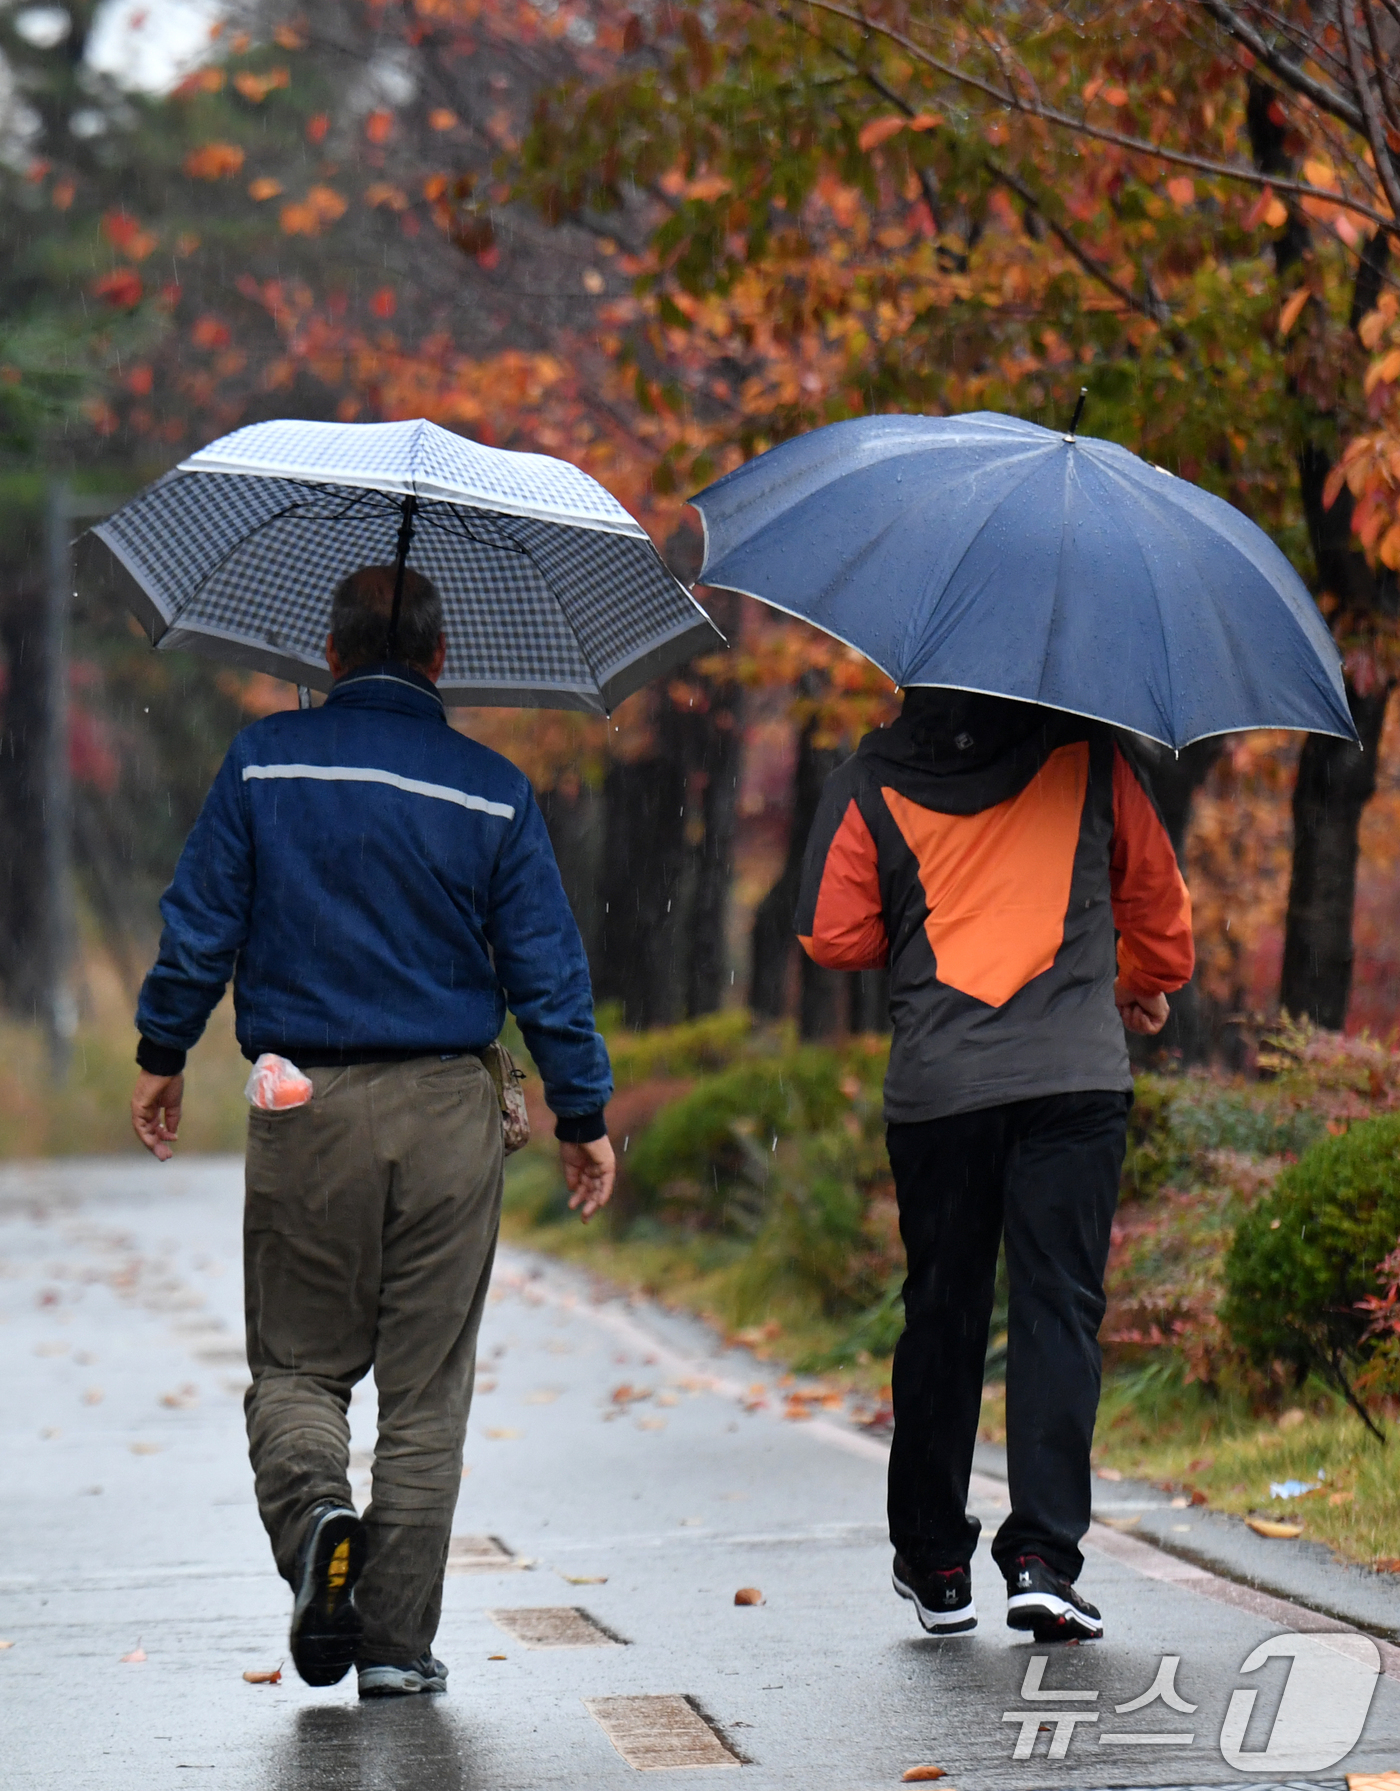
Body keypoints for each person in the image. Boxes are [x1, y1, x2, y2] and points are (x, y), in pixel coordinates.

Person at [129, 564, 615, 1697]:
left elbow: (201, 924)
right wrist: (580, 1112)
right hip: (448, 1108)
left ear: (331, 654)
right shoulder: (493, 791)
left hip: (305, 1101)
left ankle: (313, 1523)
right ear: (440, 663)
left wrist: (162, 1054)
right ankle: (394, 1644)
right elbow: (547, 972)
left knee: (297, 1364)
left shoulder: (264, 764)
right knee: (426, 1388)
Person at [795, 688, 1192, 1643]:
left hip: (943, 1090)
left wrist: (928, 926)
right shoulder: (1092, 756)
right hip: (1074, 1080)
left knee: (945, 1308)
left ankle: (937, 1561)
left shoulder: (870, 778)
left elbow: (829, 931)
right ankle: (1043, 1558)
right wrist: (1130, 985)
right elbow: (1163, 923)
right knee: (1059, 1306)